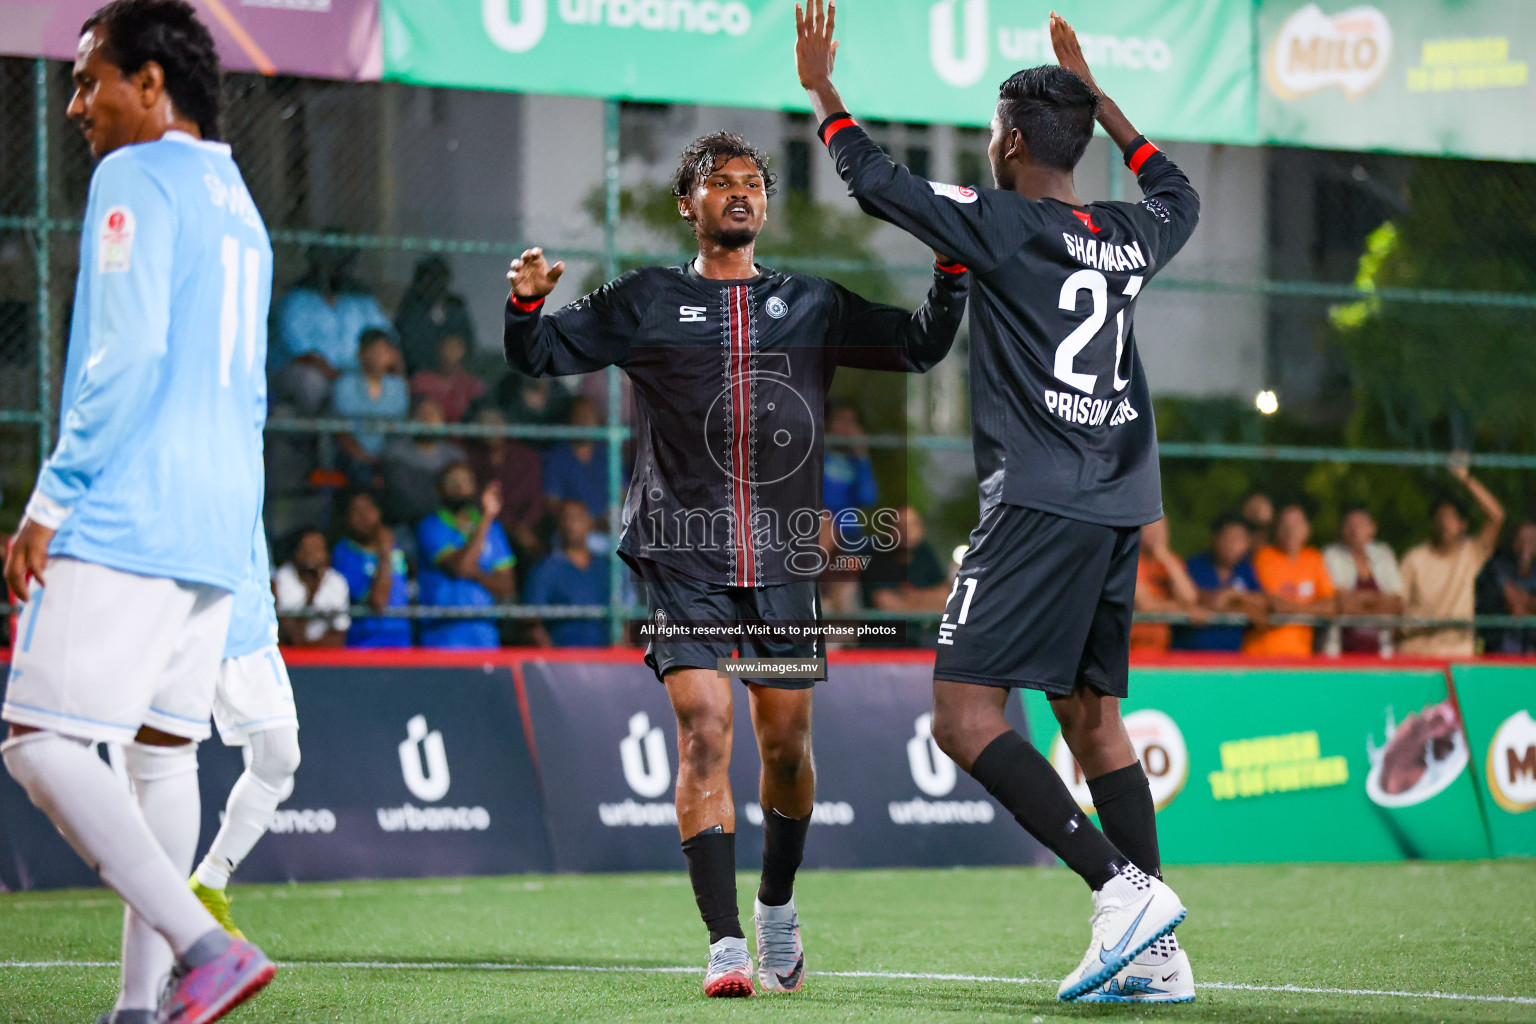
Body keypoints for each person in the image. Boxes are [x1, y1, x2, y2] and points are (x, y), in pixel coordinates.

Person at [504, 122, 967, 995]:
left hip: (785, 563)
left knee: (785, 747)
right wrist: (526, 303)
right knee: (703, 728)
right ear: (690, 206)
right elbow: (539, 355)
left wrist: (949, 273)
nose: (742, 190)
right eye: (722, 181)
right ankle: (723, 946)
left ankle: (777, 906)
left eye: (753, 180)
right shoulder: (642, 301)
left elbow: (917, 345)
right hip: (681, 557)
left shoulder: (815, 303)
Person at [798, 5, 1193, 1003]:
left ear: (1011, 141)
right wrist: (1100, 97)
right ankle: (1156, 950)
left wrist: (824, 92)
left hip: (1039, 499)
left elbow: (875, 180)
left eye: (991, 128)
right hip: (1118, 501)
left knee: (963, 715)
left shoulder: (1002, 221)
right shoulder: (1132, 234)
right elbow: (1177, 189)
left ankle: (1120, 891)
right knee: (1092, 716)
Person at [0, 3, 277, 1020]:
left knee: (37, 738)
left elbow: (125, 358)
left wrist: (48, 500)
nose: (78, 104)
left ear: (151, 85)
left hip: (133, 507)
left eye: (91, 79)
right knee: (164, 753)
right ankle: (138, 1005)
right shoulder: (238, 198)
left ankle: (205, 946)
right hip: (217, 524)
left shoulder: (135, 175)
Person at [189, 525, 301, 943]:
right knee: (164, 760)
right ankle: (160, 907)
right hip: (182, 623)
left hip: (250, 632)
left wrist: (265, 610)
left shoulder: (250, 456)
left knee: (280, 759)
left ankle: (209, 881)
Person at [1398, 457, 1505, 657]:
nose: (1445, 524)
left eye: (1452, 518)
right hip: (1416, 650)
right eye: (1440, 518)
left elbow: (1496, 515)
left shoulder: (1471, 553)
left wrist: (1466, 479)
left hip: (1458, 651)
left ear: (1463, 525)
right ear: (1432, 523)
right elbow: (1396, 604)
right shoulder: (1414, 558)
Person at [273, 243, 393, 416]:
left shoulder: (361, 300)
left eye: (341, 262)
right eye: (329, 263)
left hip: (357, 372)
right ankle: (316, 433)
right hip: (312, 371)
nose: (335, 269)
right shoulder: (297, 299)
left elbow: (385, 339)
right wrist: (336, 375)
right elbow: (301, 355)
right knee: (311, 381)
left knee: (385, 383)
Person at [415, 464, 514, 649]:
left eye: (466, 481)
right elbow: (462, 568)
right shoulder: (431, 526)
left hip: (484, 637)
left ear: (474, 487)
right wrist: (486, 517)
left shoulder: (494, 529)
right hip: (442, 638)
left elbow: (506, 587)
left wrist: (475, 573)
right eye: (452, 481)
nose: (460, 486)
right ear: (439, 489)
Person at [1247, 503, 1336, 656]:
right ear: (1276, 530)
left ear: (1307, 529)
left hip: (1302, 655)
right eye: (1285, 524)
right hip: (1263, 653)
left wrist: (1295, 610)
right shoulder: (1264, 557)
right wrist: (1310, 610)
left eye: (1296, 524)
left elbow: (1330, 606)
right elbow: (1273, 604)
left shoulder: (1313, 558)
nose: (1291, 530)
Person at [330, 490, 413, 648]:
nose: (364, 517)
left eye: (368, 509)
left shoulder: (397, 547)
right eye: (356, 512)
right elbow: (378, 601)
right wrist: (384, 552)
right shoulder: (344, 553)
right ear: (347, 518)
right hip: (365, 646)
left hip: (401, 643)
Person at [467, 403, 548, 564]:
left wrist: (523, 527)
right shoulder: (471, 460)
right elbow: (474, 503)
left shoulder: (527, 458)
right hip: (487, 527)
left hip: (525, 527)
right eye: (485, 424)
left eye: (495, 424)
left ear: (506, 426)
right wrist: (510, 528)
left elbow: (536, 501)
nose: (490, 430)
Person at [860, 505, 952, 646]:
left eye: (912, 525)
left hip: (923, 639)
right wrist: (926, 598)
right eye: (901, 525)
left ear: (921, 528)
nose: (907, 531)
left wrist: (906, 597)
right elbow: (884, 603)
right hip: (883, 643)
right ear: (891, 529)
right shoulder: (876, 556)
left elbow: (946, 598)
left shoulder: (925, 553)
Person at [524, 500, 612, 648]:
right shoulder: (546, 569)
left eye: (578, 518)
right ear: (559, 526)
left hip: (604, 661)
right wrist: (553, 659)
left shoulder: (605, 567)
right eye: (566, 518)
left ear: (590, 523)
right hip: (563, 663)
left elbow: (622, 618)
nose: (572, 524)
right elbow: (531, 621)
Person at [1321, 506, 1404, 656]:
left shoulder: (1384, 555)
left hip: (1381, 650)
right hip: (1340, 650)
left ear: (1372, 528)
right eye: (1350, 526)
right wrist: (1378, 601)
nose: (1355, 531)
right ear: (1342, 530)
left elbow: (1396, 604)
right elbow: (1340, 603)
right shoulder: (1331, 555)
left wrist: (1357, 600)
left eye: (1360, 525)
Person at [1179, 514, 1266, 652]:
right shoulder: (1195, 566)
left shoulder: (1246, 569)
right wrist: (1237, 602)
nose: (1231, 544)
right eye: (1227, 537)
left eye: (1238, 539)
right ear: (1215, 538)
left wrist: (1230, 596)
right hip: (1192, 655)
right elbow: (1196, 600)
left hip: (1232, 658)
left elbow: (1260, 608)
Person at [332, 328, 409, 481]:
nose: (379, 356)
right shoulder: (344, 385)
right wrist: (363, 456)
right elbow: (341, 430)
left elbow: (398, 430)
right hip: (351, 455)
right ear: (360, 353)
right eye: (374, 351)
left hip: (388, 456)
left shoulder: (398, 387)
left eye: (385, 351)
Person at [380, 396, 467, 527]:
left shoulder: (455, 456)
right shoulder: (395, 453)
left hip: (446, 524)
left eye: (434, 415)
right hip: (404, 524)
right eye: (422, 415)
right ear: (412, 420)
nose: (428, 420)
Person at [1129, 518, 1203, 654]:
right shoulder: (1130, 561)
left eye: (1160, 529)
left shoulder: (1170, 561)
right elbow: (1145, 605)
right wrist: (1184, 610)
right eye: (1150, 529)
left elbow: (1190, 597)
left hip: (1161, 648)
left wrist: (1165, 557)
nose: (1156, 534)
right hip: (1132, 647)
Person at [395, 254, 477, 376]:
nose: (434, 284)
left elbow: (468, 347)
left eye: (439, 278)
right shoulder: (409, 309)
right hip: (417, 376)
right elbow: (407, 348)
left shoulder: (455, 309)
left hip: (454, 379)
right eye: (429, 278)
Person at [274, 529, 351, 648]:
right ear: (296, 553)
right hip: (289, 653)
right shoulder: (280, 579)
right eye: (307, 549)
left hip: (324, 654)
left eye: (317, 549)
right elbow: (285, 631)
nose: (312, 555)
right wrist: (312, 592)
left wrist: (311, 650)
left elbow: (339, 634)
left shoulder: (337, 582)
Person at [541, 396, 613, 522]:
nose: (584, 422)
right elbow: (552, 503)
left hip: (610, 528)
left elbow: (624, 493)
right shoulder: (558, 456)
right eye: (579, 416)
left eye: (589, 417)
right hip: (576, 531)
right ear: (570, 420)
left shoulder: (606, 453)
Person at [822, 401, 878, 549]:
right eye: (840, 420)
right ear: (828, 423)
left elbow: (868, 498)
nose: (845, 428)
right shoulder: (817, 457)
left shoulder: (857, 462)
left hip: (849, 534)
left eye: (850, 422)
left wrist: (862, 454)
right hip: (818, 530)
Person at [409, 331, 486, 424]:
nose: (450, 353)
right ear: (438, 349)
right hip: (431, 435)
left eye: (455, 348)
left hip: (464, 436)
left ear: (464, 351)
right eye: (447, 347)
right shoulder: (422, 380)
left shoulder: (473, 384)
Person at [1487, 518, 1536, 654]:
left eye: (1532, 541)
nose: (1527, 545)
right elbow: (1514, 605)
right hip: (1505, 647)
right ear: (1513, 542)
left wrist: (1524, 602)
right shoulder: (1498, 567)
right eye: (1522, 540)